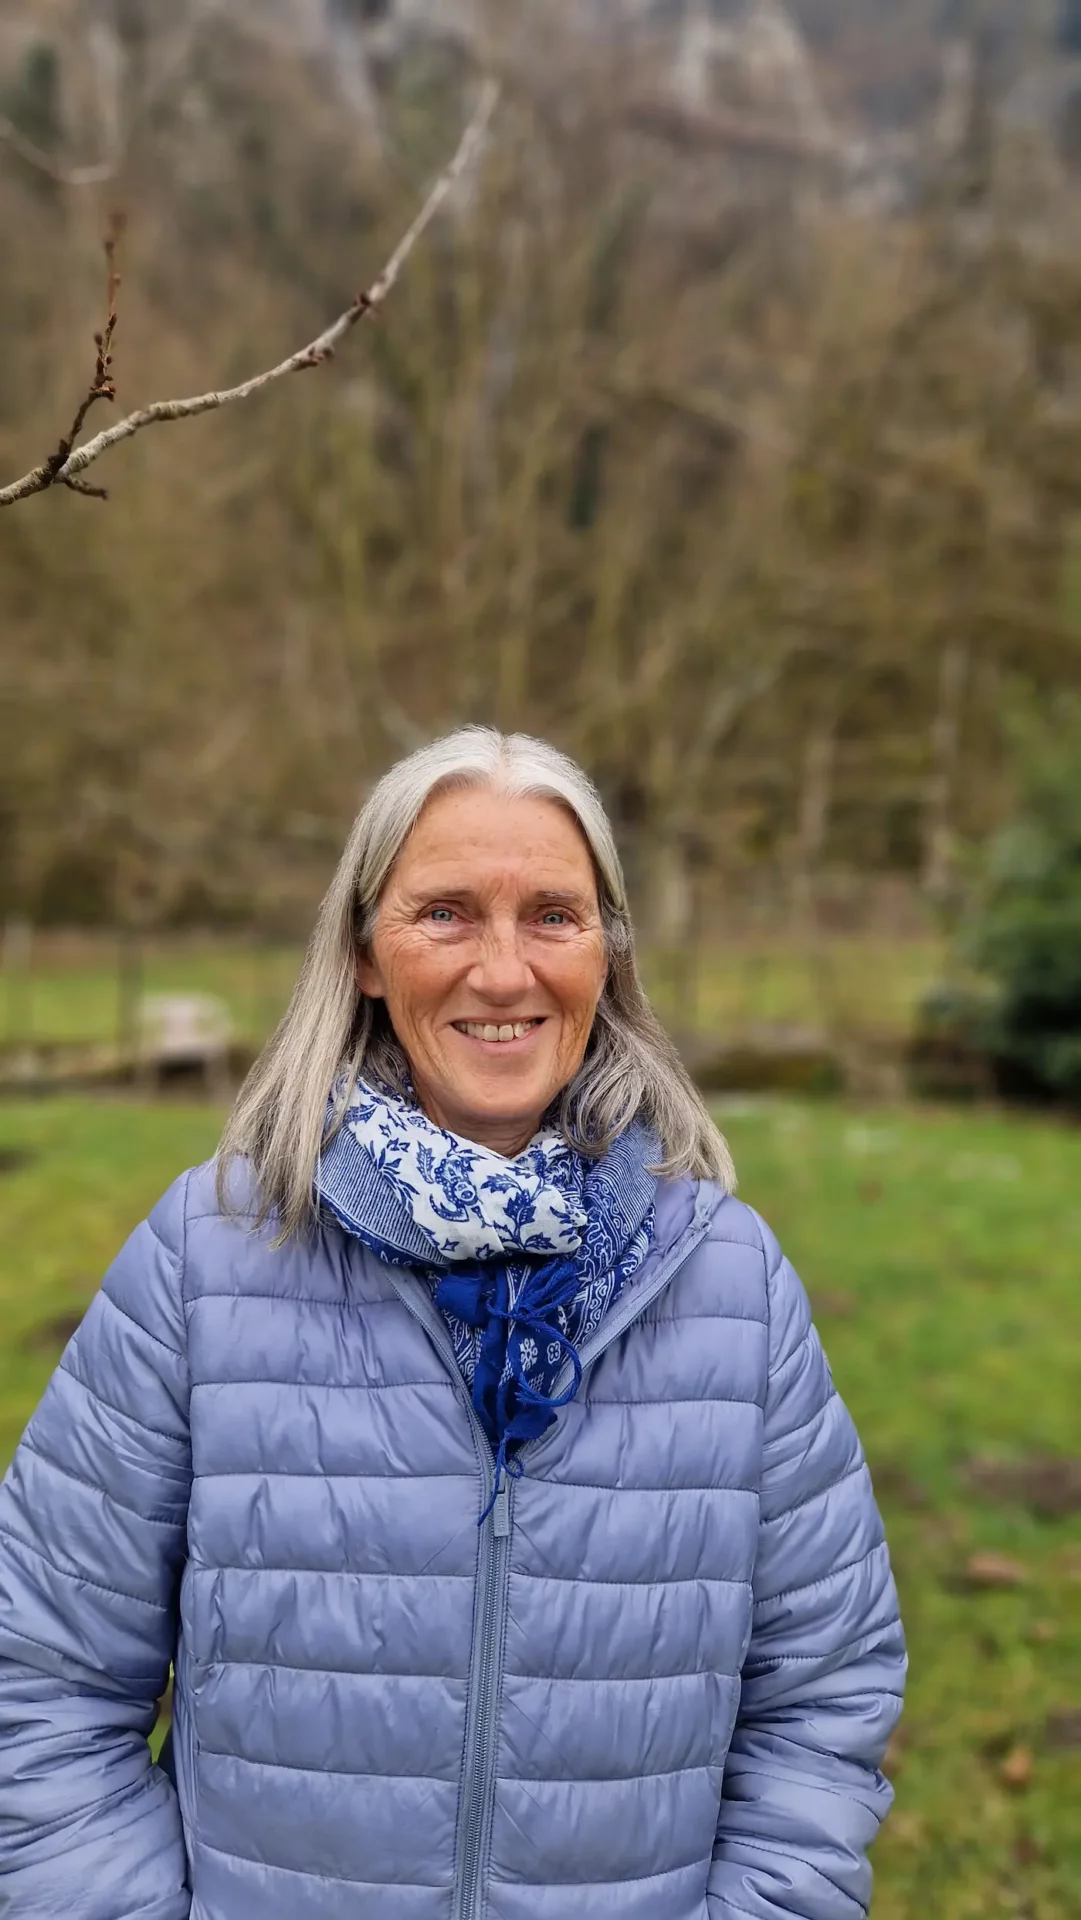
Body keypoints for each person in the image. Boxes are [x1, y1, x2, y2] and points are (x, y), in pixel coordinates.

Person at [0, 727, 905, 1920]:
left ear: (607, 954)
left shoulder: (731, 1283)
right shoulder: (208, 1255)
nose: (502, 970)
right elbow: (43, 1684)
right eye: (445, 914)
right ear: (365, 952)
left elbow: (823, 1698)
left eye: (551, 915)